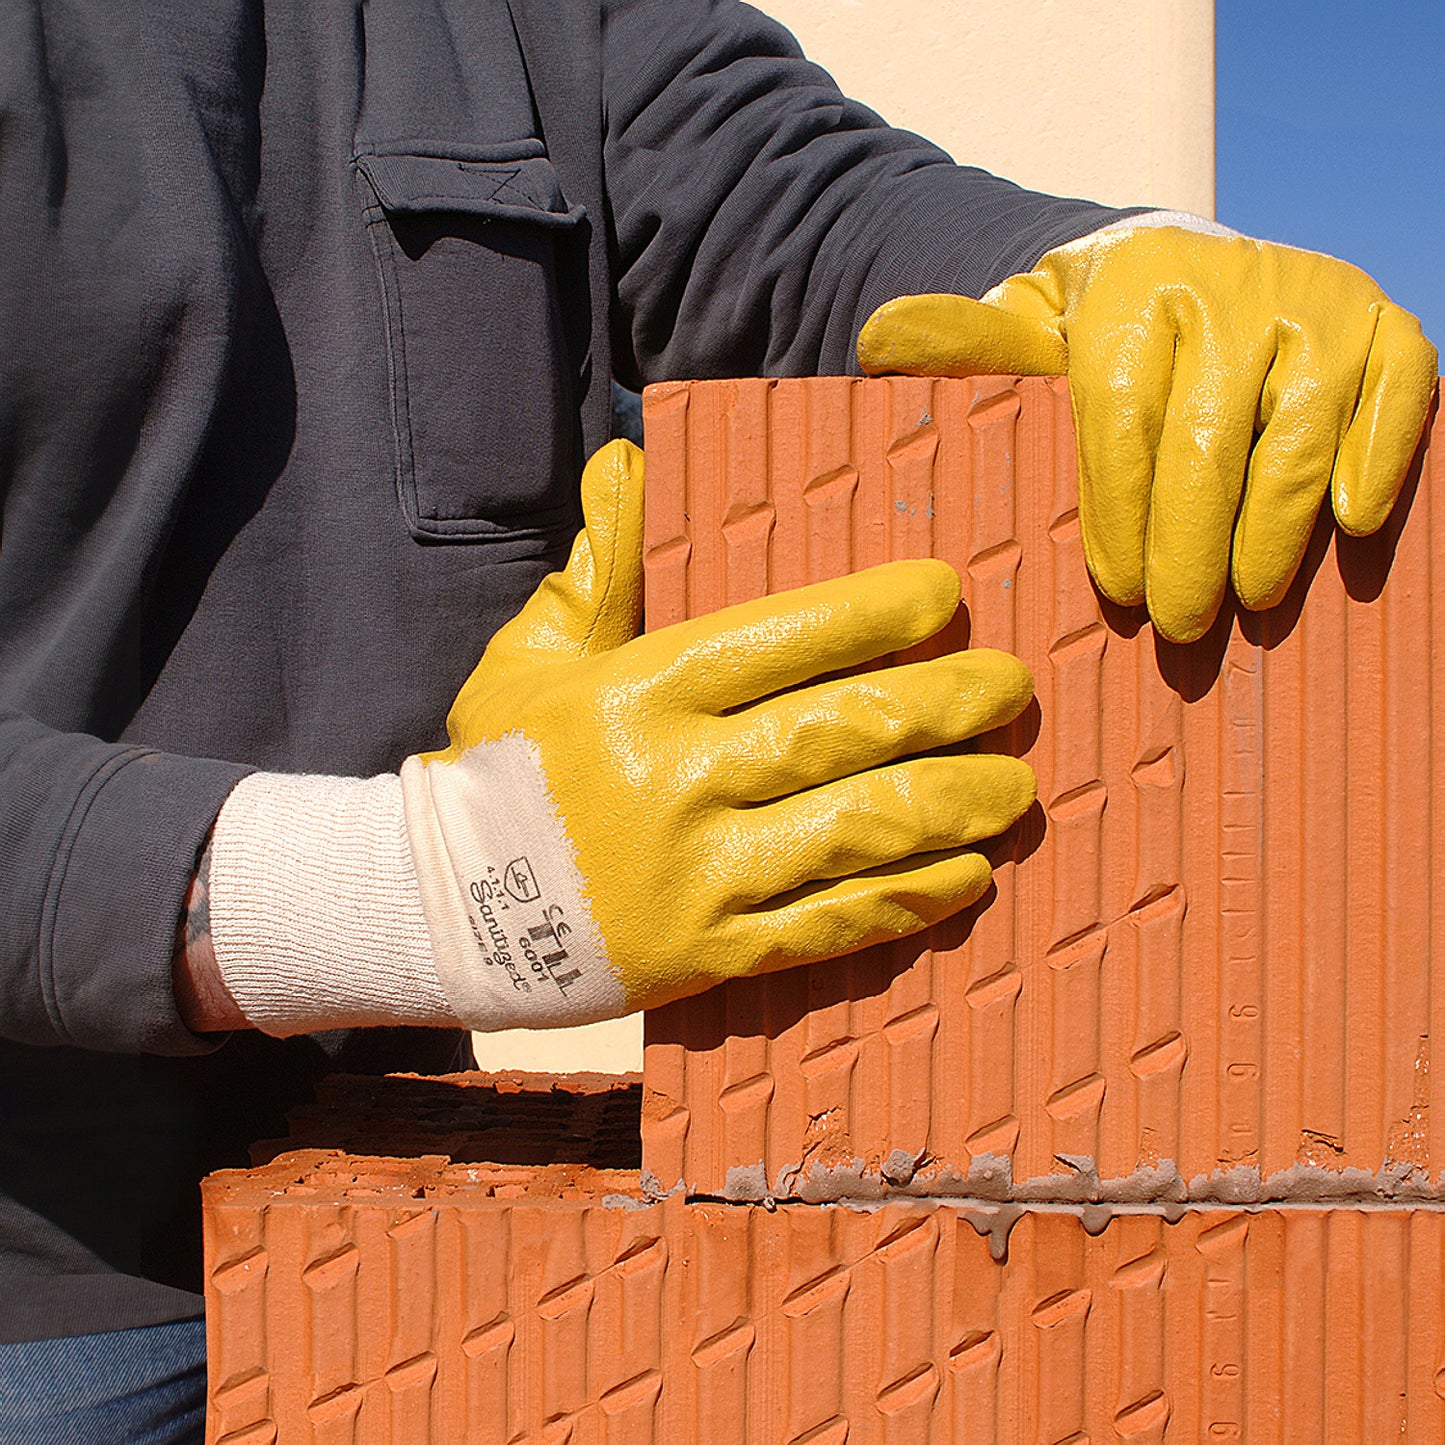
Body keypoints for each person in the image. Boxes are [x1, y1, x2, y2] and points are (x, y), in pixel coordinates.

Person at [0, 1, 1433, 1438]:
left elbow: (807, 208)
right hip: (35, 1299)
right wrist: (423, 888)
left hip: (365, 1214)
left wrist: (1108, 266)